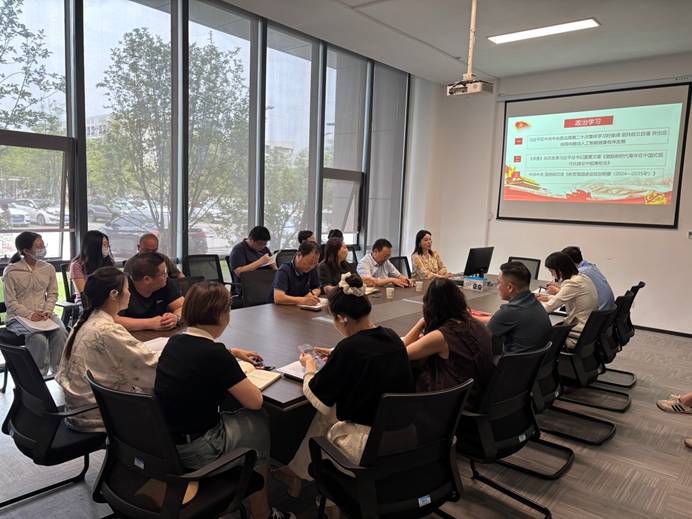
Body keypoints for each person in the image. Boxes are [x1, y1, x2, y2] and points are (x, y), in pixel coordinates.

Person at [154, 282, 294, 519]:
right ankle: (262, 511)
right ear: (222, 315)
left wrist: (233, 353)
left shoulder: (175, 342)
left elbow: (199, 354)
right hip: (199, 449)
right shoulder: (214, 354)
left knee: (237, 413)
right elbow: (255, 401)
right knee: (258, 420)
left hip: (167, 443)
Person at [288, 273, 414, 480]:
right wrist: (336, 352)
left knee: (325, 414)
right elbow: (367, 350)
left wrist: (309, 365)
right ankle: (297, 474)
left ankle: (299, 476)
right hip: (403, 438)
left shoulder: (349, 349)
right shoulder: (392, 336)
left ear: (342, 318)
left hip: (365, 447)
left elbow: (318, 397)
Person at [56, 267, 160, 432]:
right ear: (113, 294)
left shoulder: (88, 319)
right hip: (96, 416)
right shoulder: (107, 330)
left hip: (78, 409)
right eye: (127, 289)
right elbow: (148, 364)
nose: (130, 294)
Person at [403, 278, 494, 408]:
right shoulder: (476, 324)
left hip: (454, 402)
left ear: (430, 306)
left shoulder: (441, 336)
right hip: (479, 393)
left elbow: (402, 353)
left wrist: (421, 322)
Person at [3, 232, 67, 376]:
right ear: (26, 251)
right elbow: (10, 301)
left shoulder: (48, 268)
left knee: (61, 332)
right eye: (38, 246)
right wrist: (30, 314)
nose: (43, 249)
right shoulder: (12, 271)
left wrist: (48, 310)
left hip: (44, 314)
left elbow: (52, 294)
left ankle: (59, 373)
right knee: (38, 339)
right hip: (18, 317)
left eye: (43, 245)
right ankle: (37, 376)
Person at [479, 261, 552, 354]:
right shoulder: (534, 302)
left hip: (510, 362)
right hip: (534, 360)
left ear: (510, 287)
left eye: (498, 282)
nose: (497, 287)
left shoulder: (509, 311)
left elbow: (482, 341)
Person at [538, 251, 598, 349]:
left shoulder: (573, 283)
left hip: (575, 334)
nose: (552, 275)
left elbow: (549, 307)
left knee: (536, 337)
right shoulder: (582, 278)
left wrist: (527, 308)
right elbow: (568, 298)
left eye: (552, 271)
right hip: (588, 330)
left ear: (560, 270)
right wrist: (548, 297)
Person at [115, 252, 184, 331]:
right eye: (163, 273)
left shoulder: (165, 283)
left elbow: (181, 306)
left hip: (161, 335)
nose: (166, 276)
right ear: (147, 279)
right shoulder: (122, 287)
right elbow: (112, 319)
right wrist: (149, 323)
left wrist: (176, 317)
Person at [560, 246, 615, 310]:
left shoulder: (580, 273)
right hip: (609, 310)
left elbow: (568, 295)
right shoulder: (591, 267)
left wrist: (557, 290)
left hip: (599, 311)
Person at [70, 230, 115, 304]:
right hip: (86, 303)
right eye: (104, 244)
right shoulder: (77, 265)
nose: (107, 247)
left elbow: (114, 284)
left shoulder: (108, 262)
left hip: (107, 300)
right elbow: (84, 292)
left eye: (108, 244)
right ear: (94, 247)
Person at [273, 241, 321, 305]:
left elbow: (317, 288)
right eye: (309, 262)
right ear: (299, 255)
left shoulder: (311, 268)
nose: (311, 266)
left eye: (315, 264)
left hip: (300, 307)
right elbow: (278, 298)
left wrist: (312, 295)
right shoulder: (284, 270)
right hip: (280, 308)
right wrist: (302, 300)